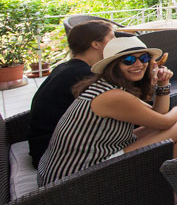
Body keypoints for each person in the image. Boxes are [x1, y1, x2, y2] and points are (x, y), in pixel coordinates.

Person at [37, 37, 177, 186]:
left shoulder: (108, 87)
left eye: (143, 58)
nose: (139, 64)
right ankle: (174, 194)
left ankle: (164, 183)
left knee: (175, 123)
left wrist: (163, 84)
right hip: (73, 178)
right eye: (129, 60)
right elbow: (164, 121)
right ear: (113, 65)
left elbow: (159, 115)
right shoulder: (113, 96)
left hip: (79, 163)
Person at [28, 20, 116, 168]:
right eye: (112, 37)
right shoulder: (85, 75)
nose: (116, 41)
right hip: (54, 154)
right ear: (96, 44)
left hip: (42, 144)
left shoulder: (64, 68)